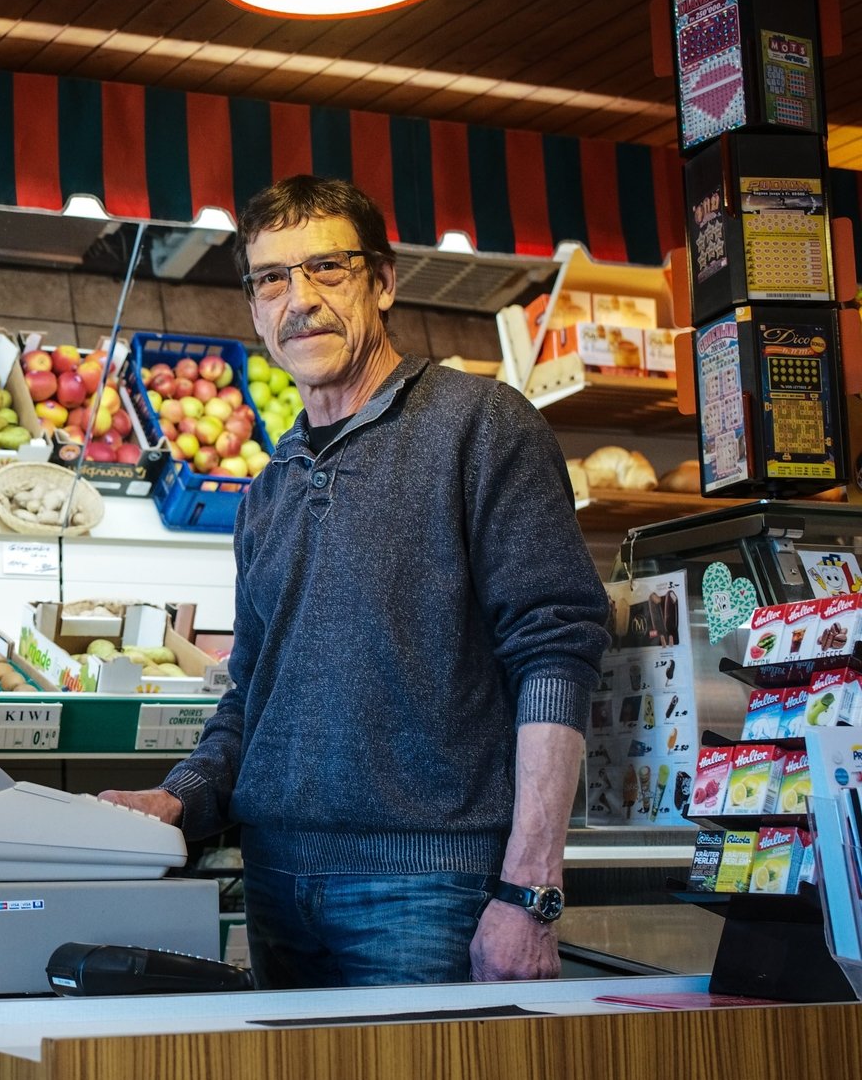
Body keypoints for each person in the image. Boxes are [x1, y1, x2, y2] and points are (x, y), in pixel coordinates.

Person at [101, 176, 609, 988]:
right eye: (271, 278)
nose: (297, 299)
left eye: (326, 269)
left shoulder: (480, 425)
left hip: (429, 892)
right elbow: (250, 699)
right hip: (274, 889)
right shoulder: (267, 491)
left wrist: (530, 889)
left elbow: (556, 651)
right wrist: (179, 797)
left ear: (382, 281)